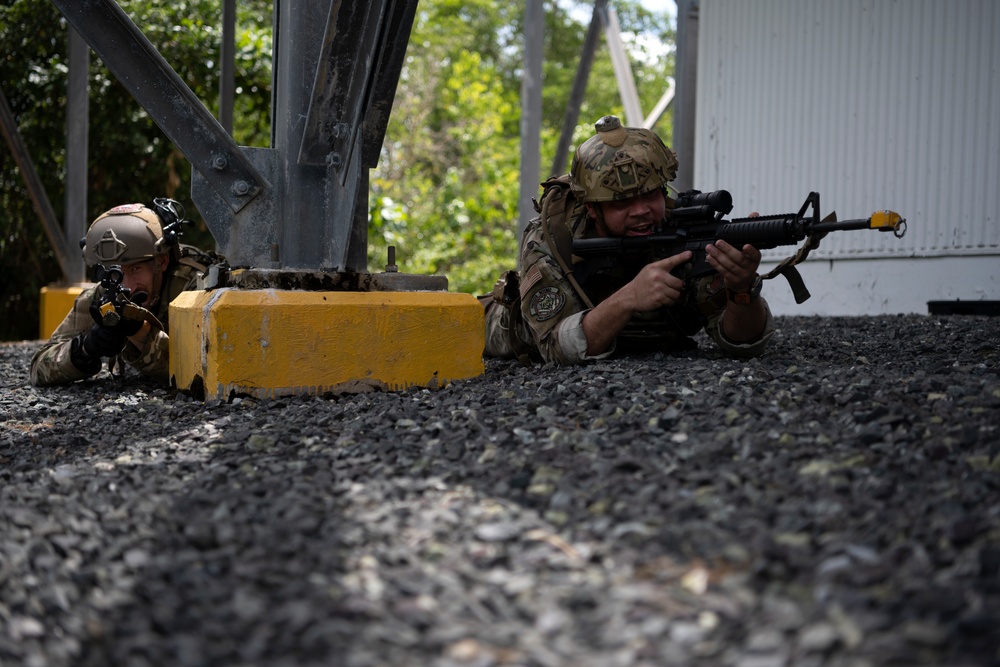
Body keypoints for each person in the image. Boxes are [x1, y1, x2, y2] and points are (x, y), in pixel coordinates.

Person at [483, 115, 774, 365]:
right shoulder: (553, 236)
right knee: (459, 324)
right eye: (621, 203)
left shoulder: (685, 230)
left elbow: (743, 342)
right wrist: (629, 298)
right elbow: (554, 346)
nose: (641, 211)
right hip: (509, 328)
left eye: (649, 195)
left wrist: (741, 289)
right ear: (593, 210)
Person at [30, 199, 219, 386]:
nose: (127, 286)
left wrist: (140, 332)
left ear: (161, 262)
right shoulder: (105, 292)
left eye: (135, 269)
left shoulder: (195, 287)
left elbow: (203, 371)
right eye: (116, 271)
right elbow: (39, 368)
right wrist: (87, 347)